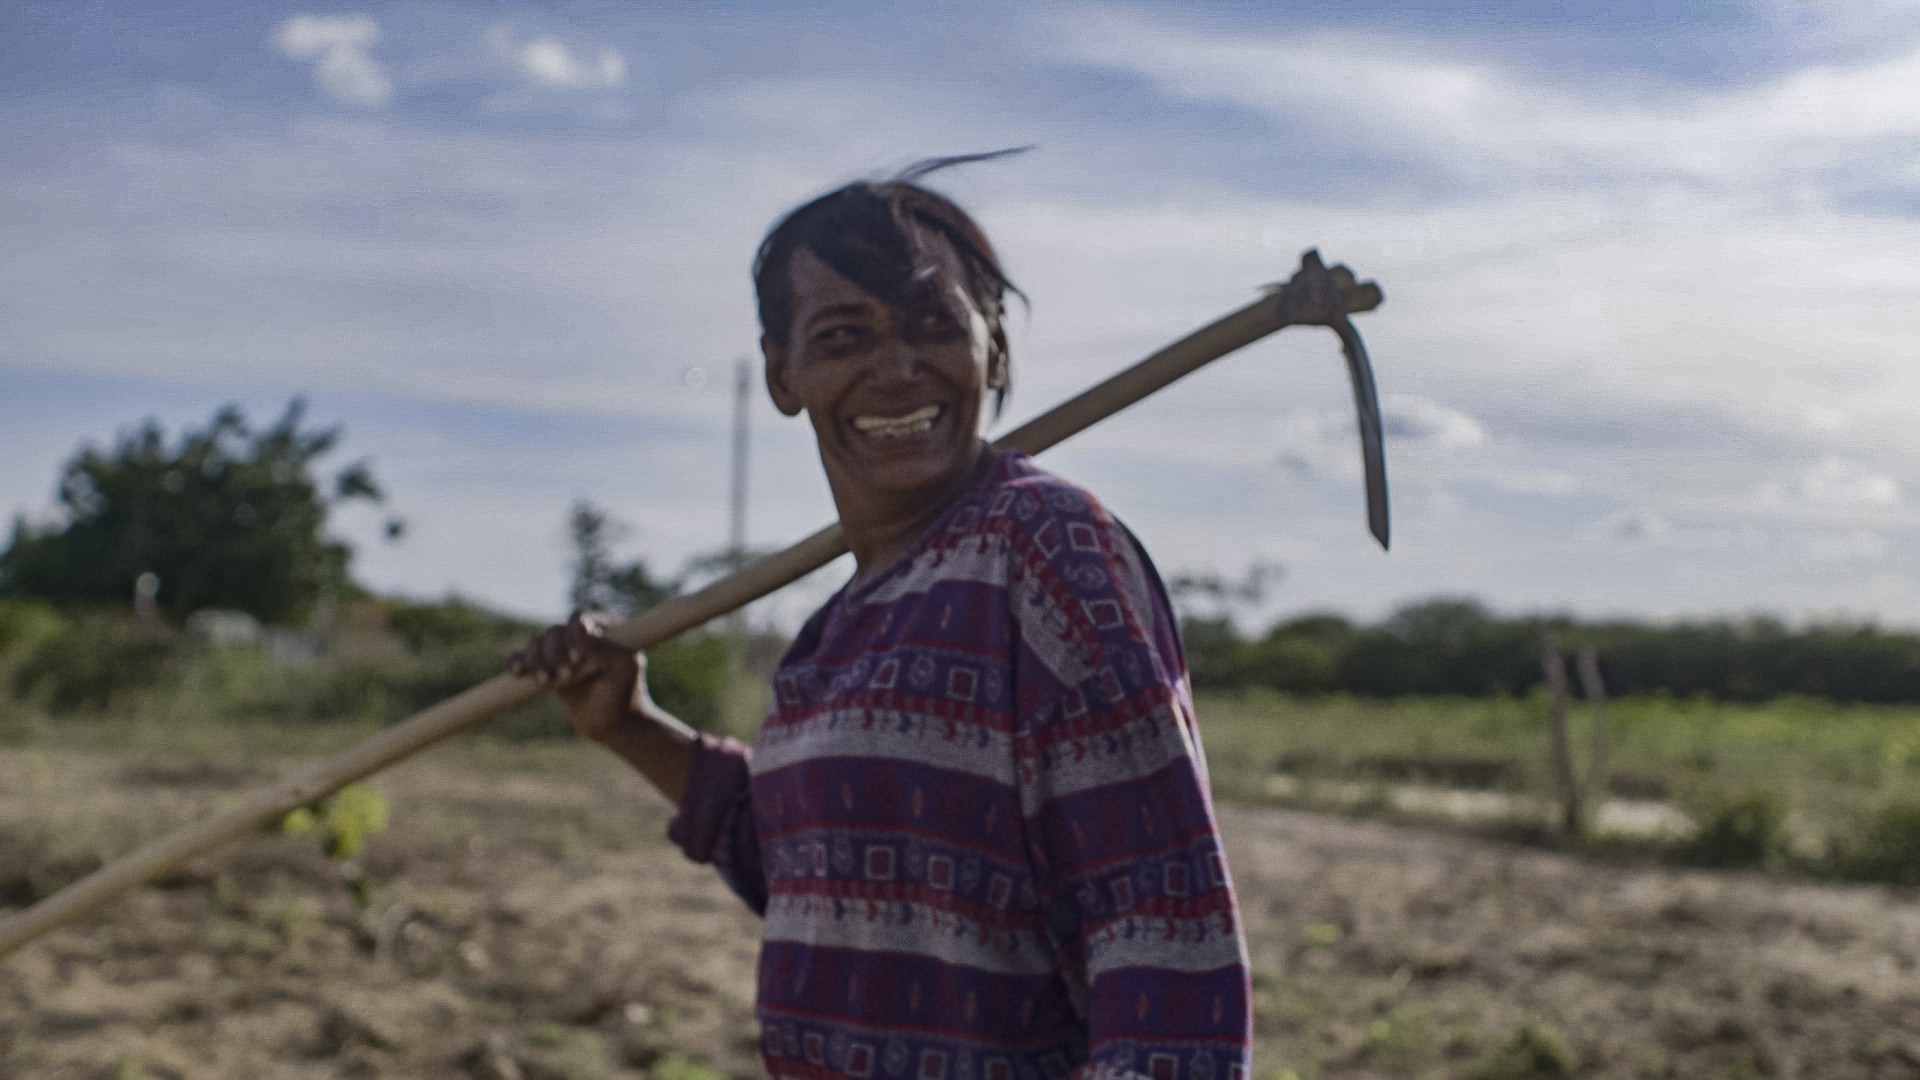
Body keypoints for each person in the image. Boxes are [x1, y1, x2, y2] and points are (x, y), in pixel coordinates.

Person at [509, 154, 1253, 1080]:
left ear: (997, 350)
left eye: (933, 323)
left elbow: (1160, 929)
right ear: (784, 376)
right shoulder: (841, 625)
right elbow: (812, 868)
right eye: (843, 335)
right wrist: (626, 725)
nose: (895, 369)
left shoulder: (1042, 550)